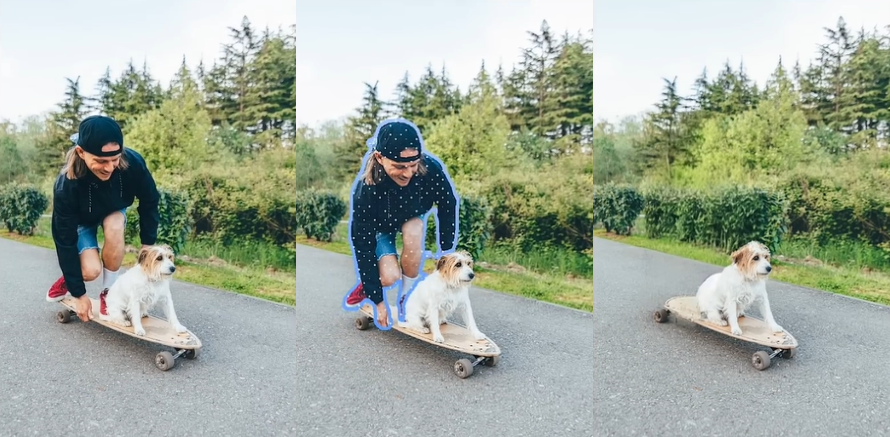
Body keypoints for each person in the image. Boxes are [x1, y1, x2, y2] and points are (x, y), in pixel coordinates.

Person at [343, 118, 460, 330]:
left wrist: (446, 250)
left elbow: (447, 203)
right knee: (389, 277)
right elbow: (363, 244)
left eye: (413, 165)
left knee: (415, 229)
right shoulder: (366, 190)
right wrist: (378, 300)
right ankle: (369, 286)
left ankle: (406, 298)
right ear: (379, 157)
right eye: (399, 166)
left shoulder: (430, 169)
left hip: (410, 218)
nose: (407, 173)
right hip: (380, 228)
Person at [46, 115, 161, 324]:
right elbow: (64, 240)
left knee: (115, 223)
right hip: (81, 221)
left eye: (114, 159)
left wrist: (148, 244)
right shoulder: (67, 184)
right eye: (100, 161)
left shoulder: (133, 164)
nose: (109, 167)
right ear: (81, 152)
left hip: (112, 211)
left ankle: (109, 293)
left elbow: (150, 201)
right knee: (90, 271)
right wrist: (79, 294)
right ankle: (70, 279)